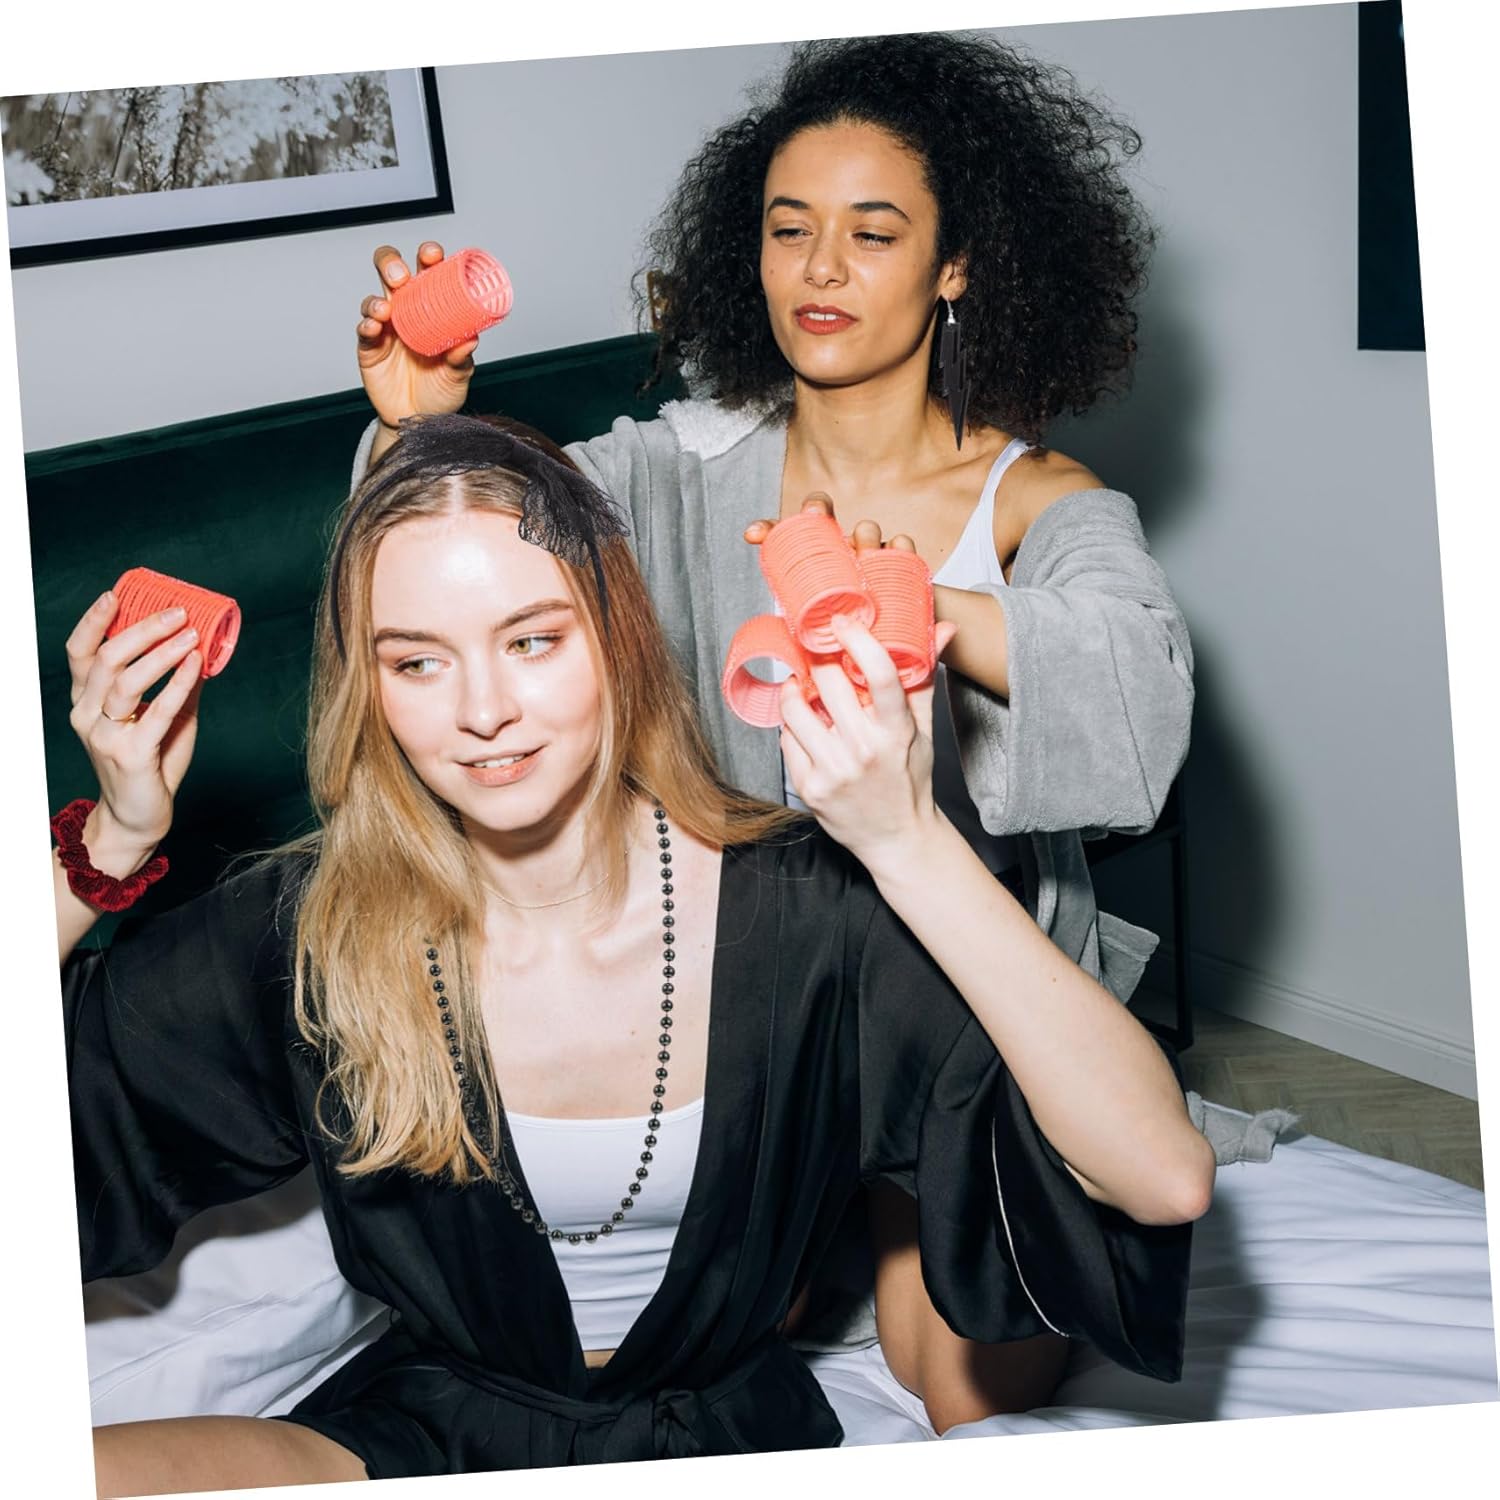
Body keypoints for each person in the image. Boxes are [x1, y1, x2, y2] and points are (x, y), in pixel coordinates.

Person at [60, 414, 1212, 1492]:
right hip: (427, 1430)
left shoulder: (800, 911)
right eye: (417, 662)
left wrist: (907, 838)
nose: (483, 711)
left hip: (714, 1438)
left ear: (615, 632)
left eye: (532, 640)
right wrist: (113, 839)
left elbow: (1160, 1174)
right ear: (370, 685)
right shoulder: (314, 925)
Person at [351, 31, 1193, 1428]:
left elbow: (1138, 692)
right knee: (715, 1324)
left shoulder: (1039, 496)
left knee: (953, 1372)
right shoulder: (675, 467)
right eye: (790, 228)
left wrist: (915, 603)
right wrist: (415, 434)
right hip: (743, 994)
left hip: (954, 986)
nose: (820, 269)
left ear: (957, 264)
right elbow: (467, 565)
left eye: (874, 233)